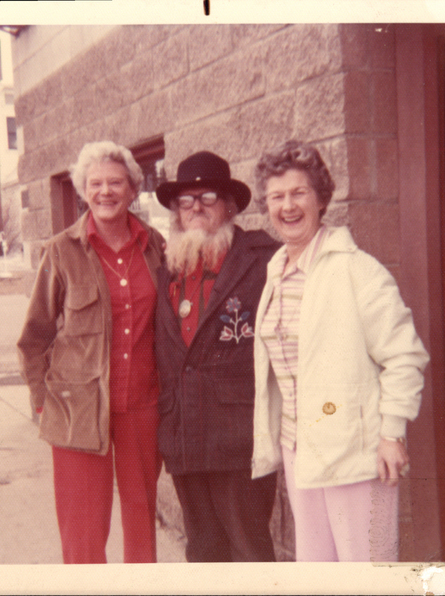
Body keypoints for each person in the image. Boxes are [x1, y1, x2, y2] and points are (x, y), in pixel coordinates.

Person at [251, 140, 430, 562]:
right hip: (300, 448)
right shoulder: (278, 269)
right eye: (277, 197)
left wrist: (392, 433)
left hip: (355, 450)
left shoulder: (357, 269)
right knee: (317, 569)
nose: (288, 206)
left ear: (321, 198)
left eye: (299, 193)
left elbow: (404, 356)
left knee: (367, 568)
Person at [17, 141, 164, 564]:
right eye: (95, 183)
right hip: (76, 409)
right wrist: (43, 402)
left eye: (115, 182)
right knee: (82, 533)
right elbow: (34, 336)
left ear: (133, 189)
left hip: (141, 405)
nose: (105, 191)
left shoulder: (154, 245)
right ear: (82, 189)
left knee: (141, 526)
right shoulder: (61, 251)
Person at [154, 151, 281, 562]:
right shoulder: (164, 266)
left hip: (237, 434)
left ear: (229, 205)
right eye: (186, 201)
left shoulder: (263, 259)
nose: (196, 208)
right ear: (175, 212)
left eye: (208, 197)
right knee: (203, 549)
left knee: (249, 547)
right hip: (183, 430)